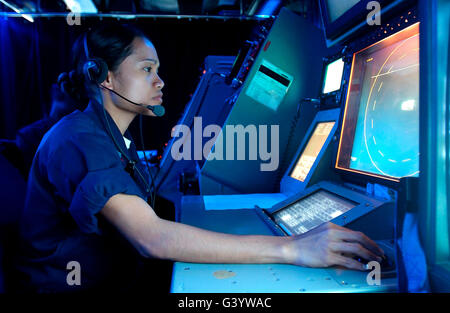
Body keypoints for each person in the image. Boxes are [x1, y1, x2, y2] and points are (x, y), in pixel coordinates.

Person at [14, 23, 385, 293]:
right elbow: (152, 239)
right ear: (105, 77)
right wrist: (292, 247)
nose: (160, 81)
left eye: (157, 70)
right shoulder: (80, 139)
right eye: (147, 70)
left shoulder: (100, 133)